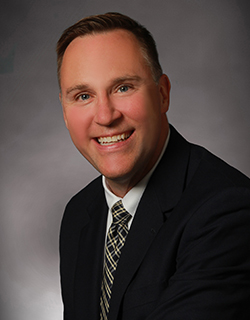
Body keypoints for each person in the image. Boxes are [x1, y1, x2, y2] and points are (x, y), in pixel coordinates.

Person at [57, 12, 250, 320]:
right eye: (83, 96)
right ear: (65, 114)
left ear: (162, 95)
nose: (105, 116)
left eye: (123, 87)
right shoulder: (80, 213)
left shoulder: (227, 210)